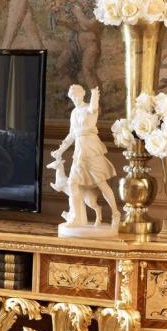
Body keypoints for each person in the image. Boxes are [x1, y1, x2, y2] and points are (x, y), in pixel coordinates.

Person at [51, 85, 119, 231]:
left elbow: (93, 107)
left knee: (102, 184)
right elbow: (71, 135)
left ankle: (115, 213)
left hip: (92, 149)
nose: (74, 99)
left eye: (76, 95)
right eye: (72, 97)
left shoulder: (89, 108)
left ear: (82, 94)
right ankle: (76, 218)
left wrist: (94, 95)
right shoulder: (74, 113)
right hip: (79, 152)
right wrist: (60, 150)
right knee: (72, 183)